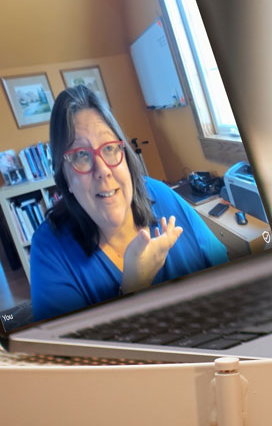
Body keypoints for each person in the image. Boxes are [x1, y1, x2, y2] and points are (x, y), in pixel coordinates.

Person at [29, 86, 229, 322]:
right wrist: (134, 287)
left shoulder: (159, 193)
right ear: (65, 179)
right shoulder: (49, 250)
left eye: (110, 148)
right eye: (81, 155)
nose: (102, 170)